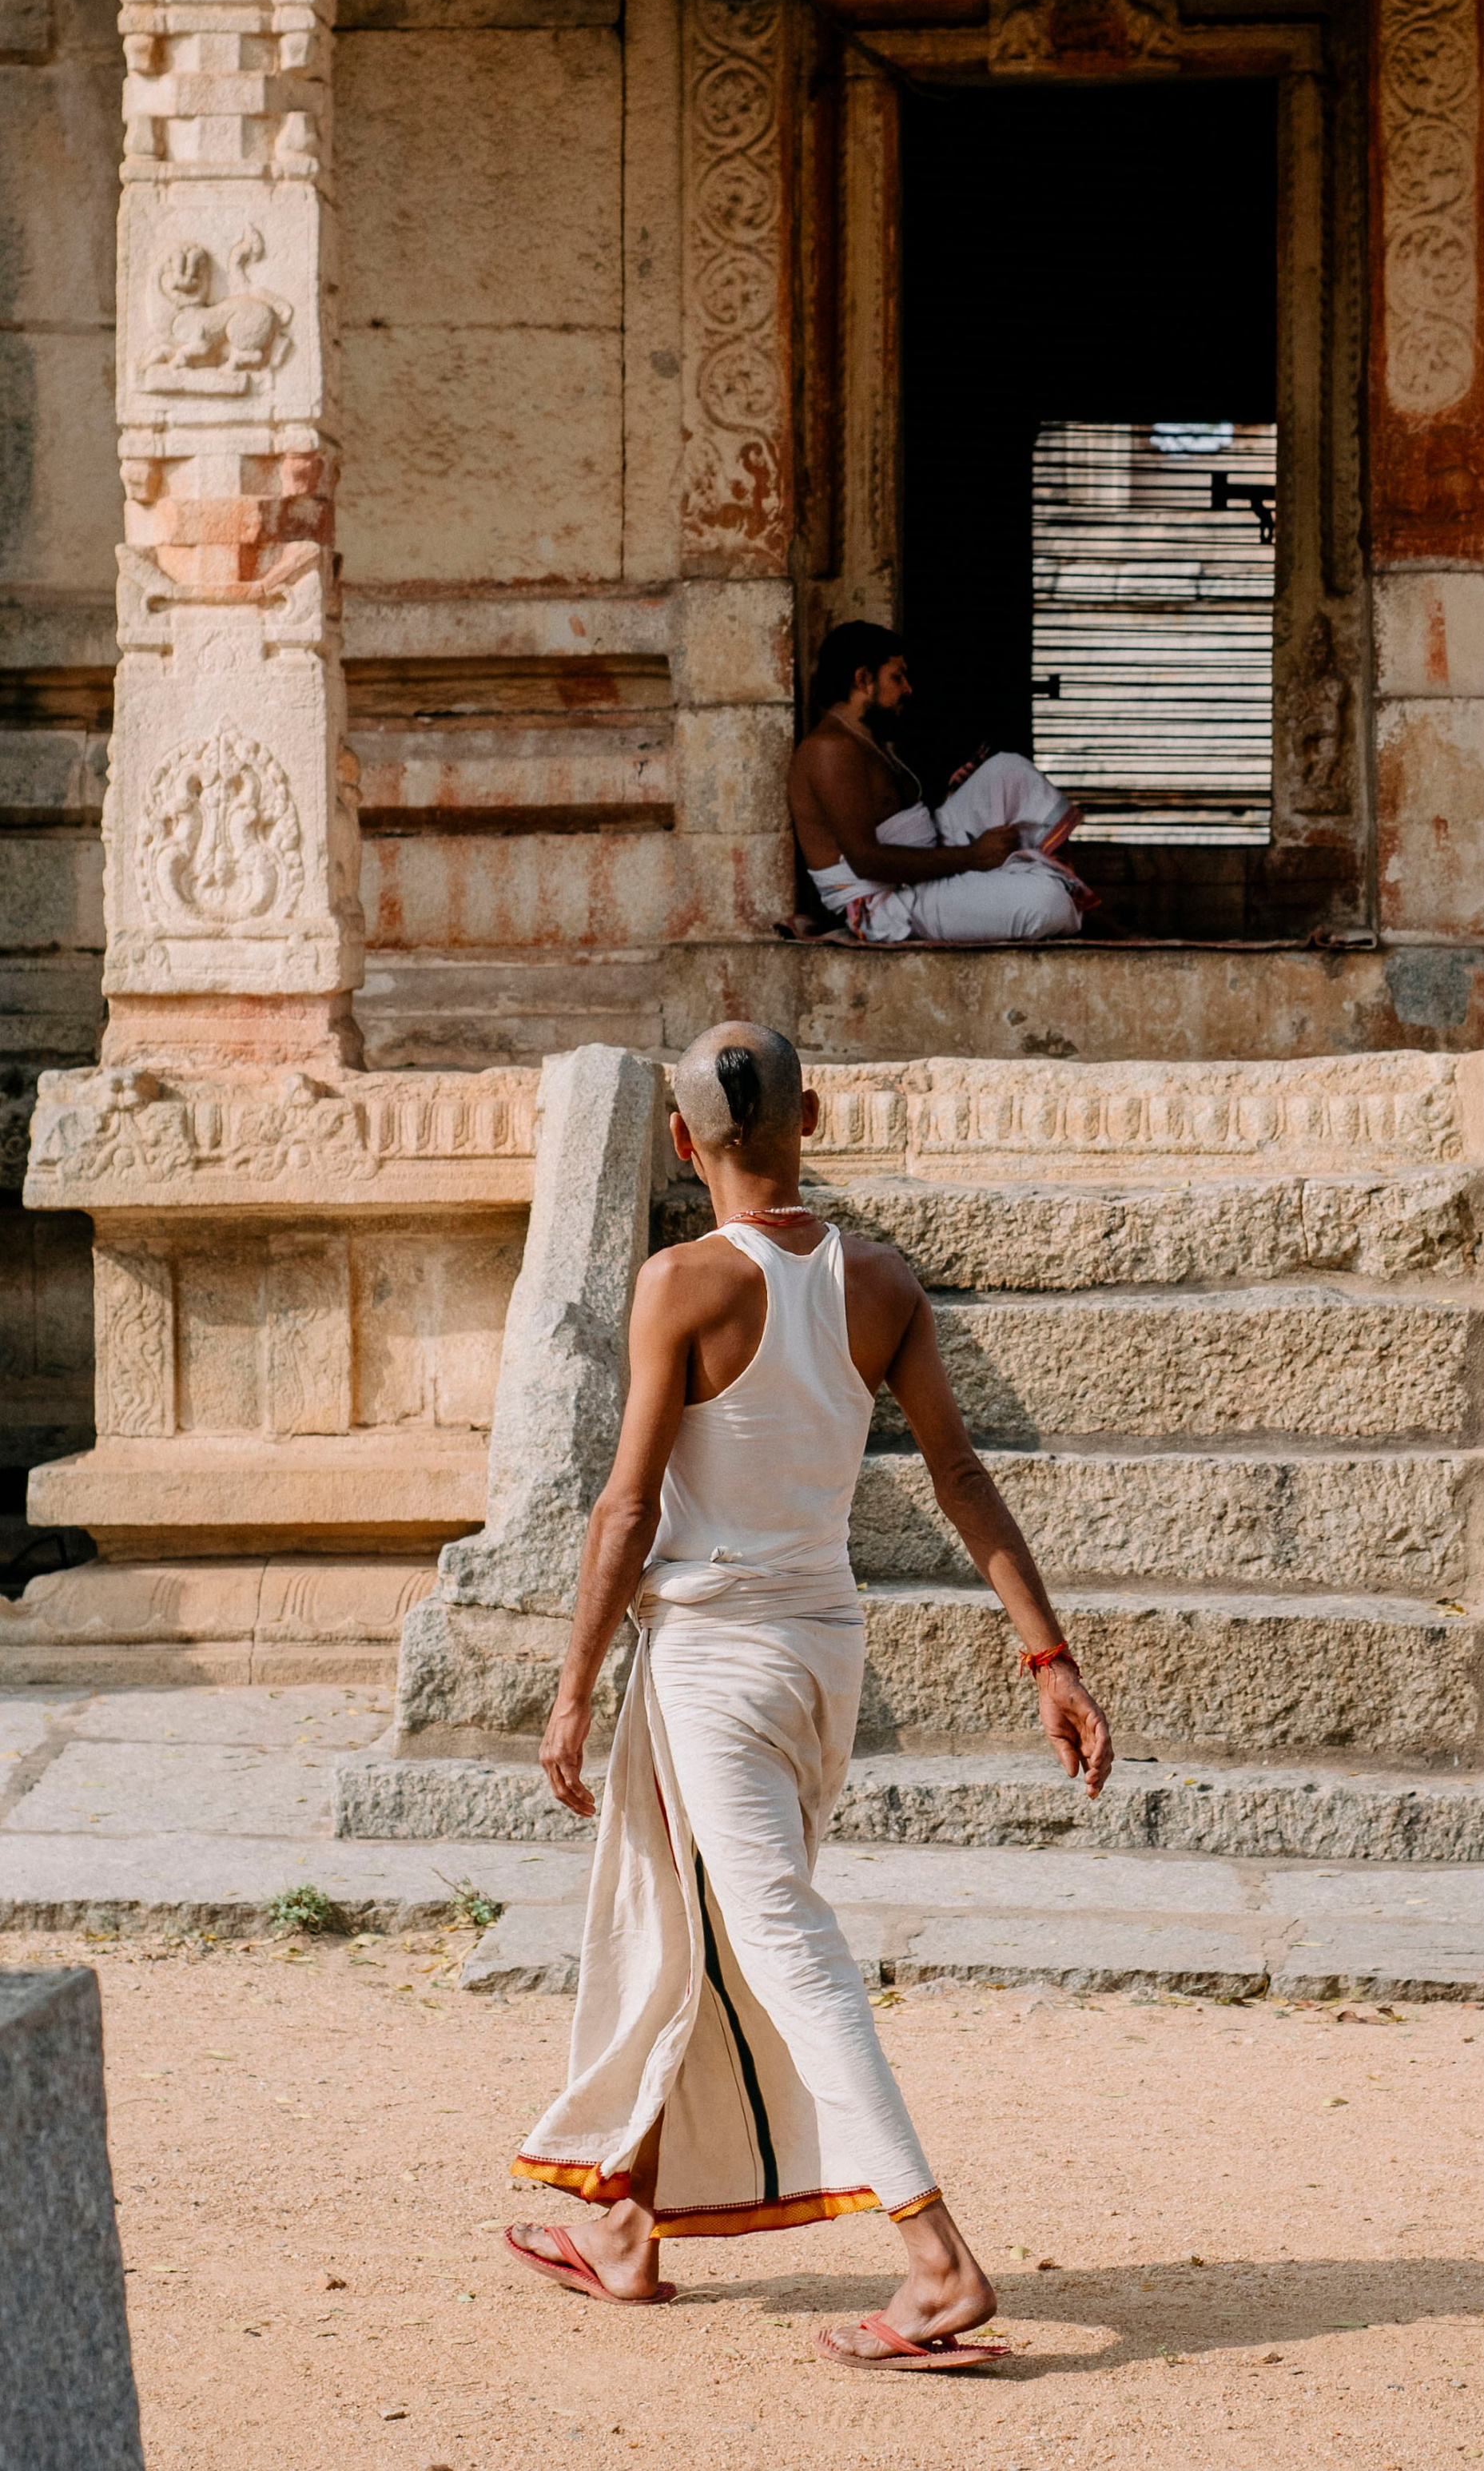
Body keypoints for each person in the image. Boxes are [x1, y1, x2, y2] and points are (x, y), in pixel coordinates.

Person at [504, 1019, 1114, 2372]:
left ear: (681, 1144)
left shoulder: (679, 1284)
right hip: (821, 1661)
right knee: (694, 1928)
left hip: (716, 1669)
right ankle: (622, 2227)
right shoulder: (881, 1283)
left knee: (777, 1944)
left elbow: (623, 1510)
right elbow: (962, 1479)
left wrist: (568, 1694)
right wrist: (1048, 1660)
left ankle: (937, 2264)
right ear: (814, 1118)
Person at [788, 619, 1089, 942]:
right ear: (863, 679)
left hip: (925, 855)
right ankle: (1063, 895)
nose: (908, 689)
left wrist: (953, 797)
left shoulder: (868, 740)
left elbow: (895, 820)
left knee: (1007, 770)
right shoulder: (829, 750)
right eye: (897, 676)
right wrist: (973, 856)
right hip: (886, 898)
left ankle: (1047, 877)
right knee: (1049, 903)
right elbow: (866, 862)